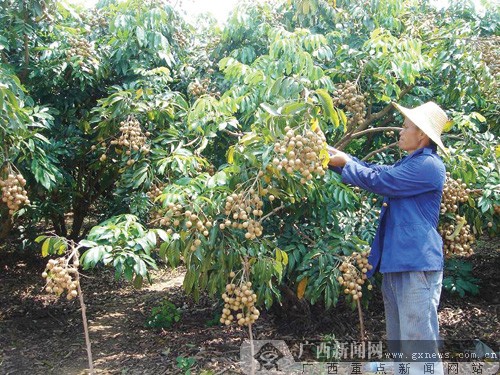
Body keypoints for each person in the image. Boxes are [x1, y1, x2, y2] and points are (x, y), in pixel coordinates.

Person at [327, 101, 449, 374]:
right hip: (398, 261)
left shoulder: (428, 165)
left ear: (422, 135)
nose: (400, 131)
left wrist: (346, 163)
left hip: (416, 263)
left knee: (418, 339)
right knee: (400, 337)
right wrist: (338, 160)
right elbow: (378, 172)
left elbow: (381, 181)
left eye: (406, 127)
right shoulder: (410, 164)